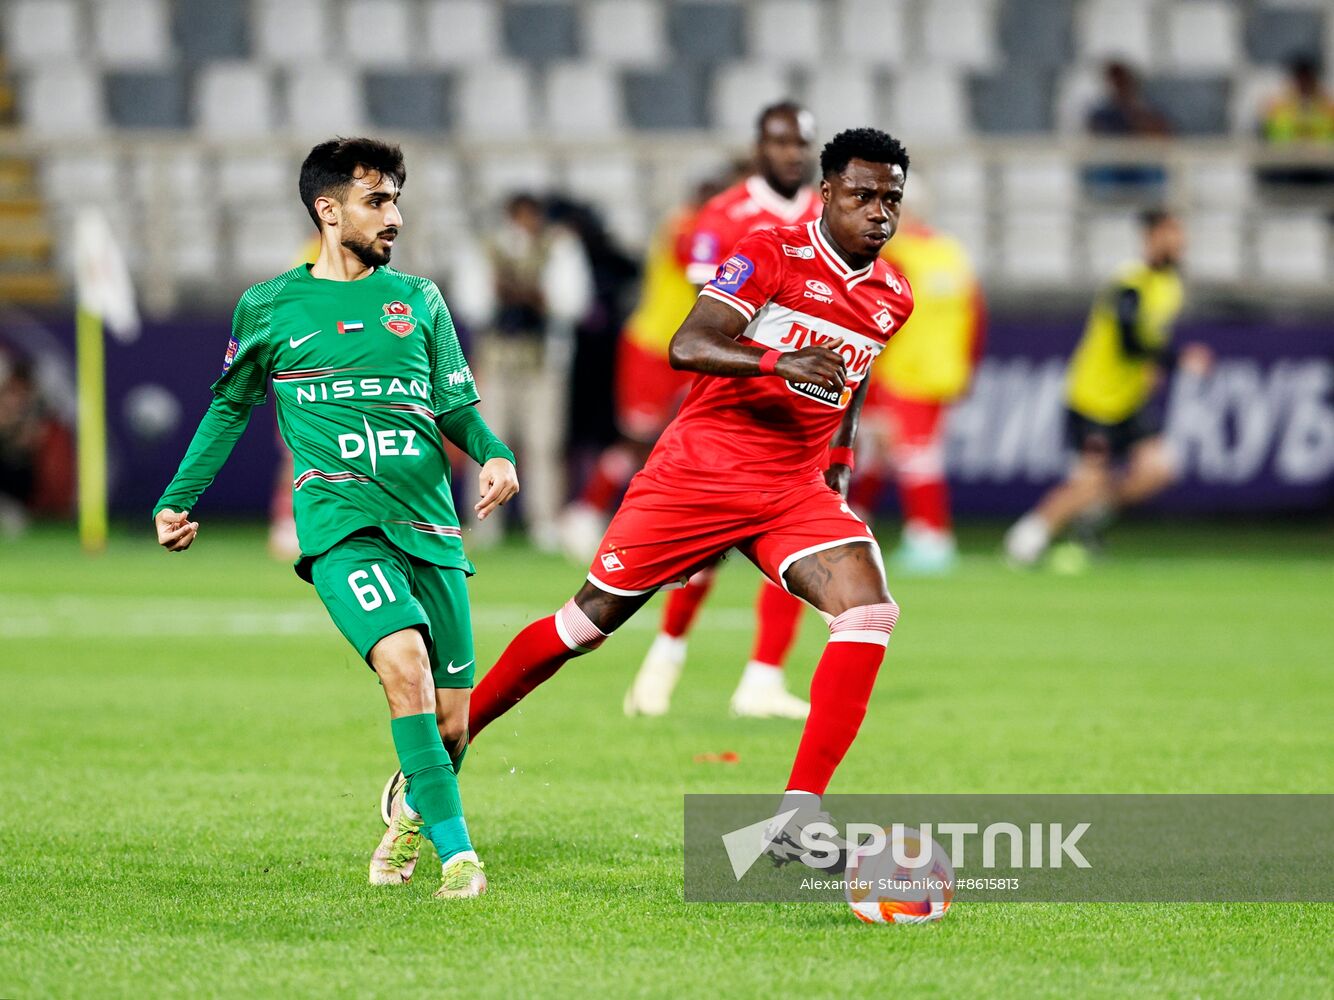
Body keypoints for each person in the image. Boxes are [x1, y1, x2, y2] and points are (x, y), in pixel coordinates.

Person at [465, 128, 915, 856]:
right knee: (584, 625)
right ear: (827, 193)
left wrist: (838, 457)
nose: (879, 212)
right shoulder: (771, 251)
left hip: (791, 488)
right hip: (699, 476)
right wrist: (779, 359)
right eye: (862, 195)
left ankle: (797, 817)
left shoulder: (894, 295)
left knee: (868, 610)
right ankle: (455, 734)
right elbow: (689, 343)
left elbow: (851, 381)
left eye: (891, 198)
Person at [153, 138, 518, 900]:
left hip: (429, 526)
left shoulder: (419, 300)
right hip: (341, 522)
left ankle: (410, 812)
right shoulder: (270, 305)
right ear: (329, 210)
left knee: (453, 725)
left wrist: (493, 453)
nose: (395, 217)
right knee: (404, 666)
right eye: (377, 201)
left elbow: (456, 406)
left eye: (395, 201)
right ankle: (460, 858)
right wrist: (178, 498)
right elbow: (231, 405)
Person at [622, 101, 827, 721]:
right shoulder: (722, 216)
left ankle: (763, 677)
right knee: (705, 544)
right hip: (735, 398)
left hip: (804, 406)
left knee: (800, 539)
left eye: (800, 143)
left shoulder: (828, 215)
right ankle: (665, 654)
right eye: (779, 142)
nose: (790, 153)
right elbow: (706, 319)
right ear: (758, 146)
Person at [1004, 210, 1211, 568]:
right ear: (1150, 237)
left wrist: (1152, 369)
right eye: (1170, 233)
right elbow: (1129, 341)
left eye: (1180, 233)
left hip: (1129, 401)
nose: (1178, 241)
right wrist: (1177, 360)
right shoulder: (1129, 283)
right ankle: (1028, 537)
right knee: (1087, 483)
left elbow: (1148, 341)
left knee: (1157, 470)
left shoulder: (1171, 286)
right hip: (1093, 399)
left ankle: (1091, 520)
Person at [850, 194, 986, 575]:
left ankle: (931, 537)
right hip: (943, 371)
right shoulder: (951, 252)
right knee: (884, 449)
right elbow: (976, 314)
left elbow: (875, 316)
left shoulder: (894, 254)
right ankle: (855, 520)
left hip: (903, 370)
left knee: (913, 455)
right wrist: (967, 365)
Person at [450, 193, 592, 551]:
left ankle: (543, 520)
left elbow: (571, 302)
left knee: (544, 444)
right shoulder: (487, 248)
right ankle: (486, 520)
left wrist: (528, 295)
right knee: (488, 443)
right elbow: (474, 305)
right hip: (496, 360)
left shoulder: (559, 247)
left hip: (544, 360)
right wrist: (510, 296)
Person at [1261, 57, 1334, 144]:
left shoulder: (1328, 107)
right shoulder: (1277, 106)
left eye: (1307, 79)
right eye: (1301, 80)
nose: (1304, 84)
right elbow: (1269, 132)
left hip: (1323, 155)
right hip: (1286, 155)